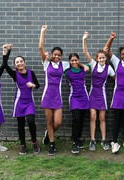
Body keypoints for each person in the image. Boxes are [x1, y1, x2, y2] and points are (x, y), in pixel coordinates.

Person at [39, 24, 70, 156]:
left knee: (57, 122)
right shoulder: (46, 63)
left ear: (61, 56)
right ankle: (52, 144)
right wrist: (43, 32)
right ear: (52, 54)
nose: (57, 56)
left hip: (57, 97)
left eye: (59, 55)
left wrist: (82, 65)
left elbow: (75, 62)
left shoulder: (64, 64)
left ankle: (48, 133)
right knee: (49, 121)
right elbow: (41, 47)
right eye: (55, 54)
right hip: (47, 96)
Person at [4, 44, 40, 155]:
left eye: (21, 61)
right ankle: (23, 145)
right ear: (15, 65)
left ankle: (34, 143)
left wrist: (32, 85)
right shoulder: (15, 74)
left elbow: (38, 85)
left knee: (31, 122)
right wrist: (7, 51)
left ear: (24, 62)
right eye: (17, 62)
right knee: (20, 124)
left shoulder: (31, 73)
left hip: (29, 102)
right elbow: (5, 65)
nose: (19, 63)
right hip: (19, 103)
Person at [82, 31, 115, 151]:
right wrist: (84, 39)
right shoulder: (93, 64)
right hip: (93, 94)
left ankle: (104, 140)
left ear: (106, 58)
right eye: (99, 58)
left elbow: (117, 79)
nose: (101, 59)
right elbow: (85, 52)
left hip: (102, 95)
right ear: (97, 58)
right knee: (92, 116)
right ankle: (92, 140)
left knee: (102, 118)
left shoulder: (109, 68)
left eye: (103, 58)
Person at [64, 53, 90, 154]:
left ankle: (78, 138)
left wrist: (82, 65)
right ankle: (74, 142)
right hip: (74, 97)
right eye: (72, 61)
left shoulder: (84, 69)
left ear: (78, 60)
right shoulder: (67, 71)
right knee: (76, 118)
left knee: (82, 119)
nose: (74, 62)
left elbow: (90, 65)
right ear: (69, 62)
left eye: (76, 60)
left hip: (84, 97)